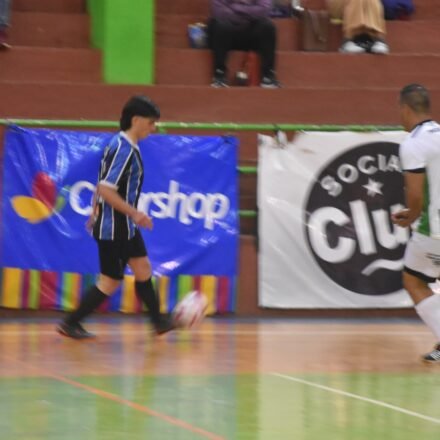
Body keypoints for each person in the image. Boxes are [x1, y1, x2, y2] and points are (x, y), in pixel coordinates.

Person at [57, 95, 174, 339]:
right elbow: (107, 189)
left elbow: (102, 185)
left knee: (142, 268)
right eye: (151, 123)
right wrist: (135, 213)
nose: (154, 128)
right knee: (110, 281)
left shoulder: (123, 145)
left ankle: (158, 322)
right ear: (136, 120)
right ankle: (71, 323)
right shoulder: (123, 149)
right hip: (115, 227)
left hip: (124, 225)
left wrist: (96, 209)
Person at [391, 84, 440, 363]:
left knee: (414, 280)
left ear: (405, 108)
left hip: (433, 228)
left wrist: (409, 216)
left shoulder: (413, 143)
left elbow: (415, 194)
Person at [208, 0, 281, 88]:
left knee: (268, 26)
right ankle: (220, 75)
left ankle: (268, 76)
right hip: (227, 31)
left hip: (250, 32)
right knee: (220, 25)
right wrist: (247, 14)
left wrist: (236, 8)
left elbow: (264, 10)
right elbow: (219, 11)